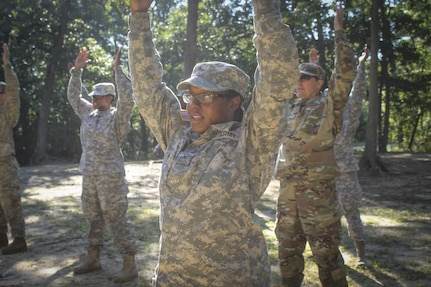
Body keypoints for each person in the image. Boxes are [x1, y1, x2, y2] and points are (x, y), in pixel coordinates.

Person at [128, 0, 298, 285]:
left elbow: (277, 78)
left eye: (206, 97)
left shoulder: (250, 143)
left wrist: (265, 9)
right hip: (172, 278)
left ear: (234, 102)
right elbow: (147, 87)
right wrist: (139, 16)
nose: (194, 105)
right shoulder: (178, 135)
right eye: (190, 96)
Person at [274, 4, 356, 287]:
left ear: (320, 83)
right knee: (287, 252)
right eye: (296, 78)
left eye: (305, 78)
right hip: (288, 197)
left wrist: (339, 33)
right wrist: (310, 62)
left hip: (317, 198)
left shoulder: (328, 106)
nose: (298, 82)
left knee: (326, 256)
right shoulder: (291, 107)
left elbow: (345, 73)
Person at [67, 47, 138, 283]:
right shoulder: (88, 114)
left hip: (111, 178)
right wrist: (76, 72)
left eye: (100, 96)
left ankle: (129, 263)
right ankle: (93, 258)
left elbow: (128, 98)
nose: (95, 99)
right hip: (90, 175)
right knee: (93, 218)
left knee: (116, 217)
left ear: (110, 98)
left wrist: (118, 70)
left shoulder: (118, 118)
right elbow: (74, 97)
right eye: (94, 96)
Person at [333, 45, 369, 266]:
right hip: (326, 172)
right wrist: (314, 65)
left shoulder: (349, 112)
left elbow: (357, 93)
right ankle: (331, 254)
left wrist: (361, 66)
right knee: (329, 217)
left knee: (352, 214)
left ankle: (361, 253)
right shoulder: (324, 112)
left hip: (345, 173)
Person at [0, 43, 27, 255]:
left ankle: (19, 239)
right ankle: (2, 238)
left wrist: (7, 65)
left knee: (11, 202)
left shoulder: (8, 114)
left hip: (5, 164)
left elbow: (14, 89)